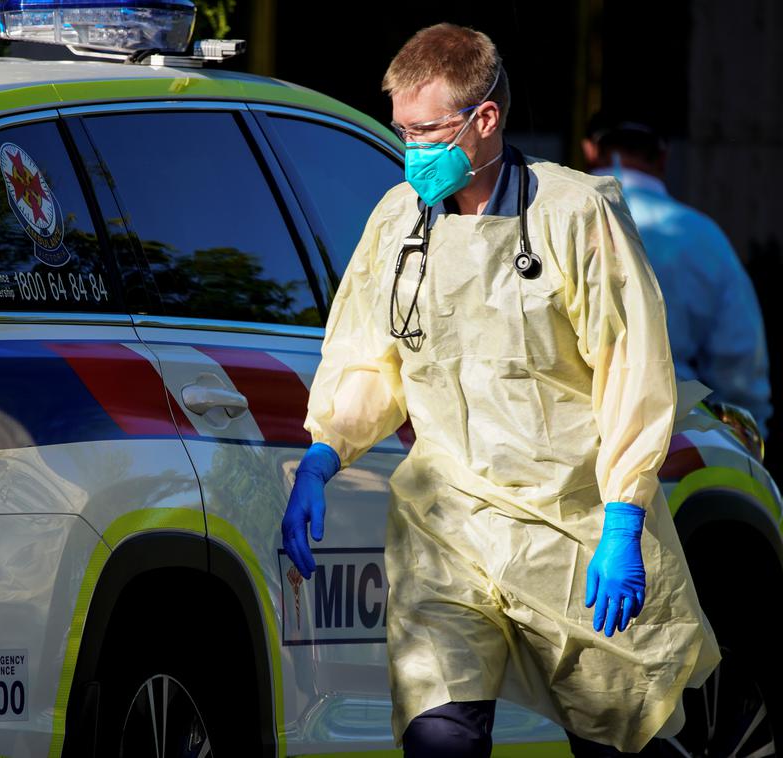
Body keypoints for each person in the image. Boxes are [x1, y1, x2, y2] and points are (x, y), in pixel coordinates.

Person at [281, 23, 720, 757]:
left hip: (569, 527)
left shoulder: (575, 215)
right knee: (439, 735)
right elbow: (366, 355)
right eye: (402, 131)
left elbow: (630, 370)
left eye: (426, 131)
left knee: (620, 736)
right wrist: (326, 452)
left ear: (484, 120)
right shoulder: (397, 222)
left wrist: (622, 518)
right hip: (445, 530)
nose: (410, 150)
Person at [583, 115, 772, 433]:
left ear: (589, 150)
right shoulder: (703, 236)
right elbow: (739, 363)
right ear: (664, 157)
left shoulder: (550, 222)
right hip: (677, 441)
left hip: (568, 441)